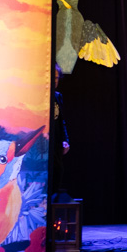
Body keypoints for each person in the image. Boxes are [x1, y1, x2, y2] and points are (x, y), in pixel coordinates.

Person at [49, 65, 71, 199]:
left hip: (57, 143)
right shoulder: (42, 97)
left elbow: (61, 120)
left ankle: (53, 201)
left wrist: (65, 140)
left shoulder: (57, 97)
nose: (55, 81)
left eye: (57, 78)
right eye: (53, 78)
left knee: (58, 171)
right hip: (45, 144)